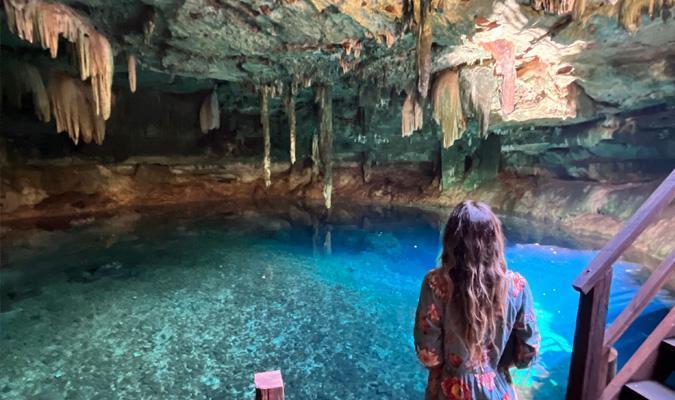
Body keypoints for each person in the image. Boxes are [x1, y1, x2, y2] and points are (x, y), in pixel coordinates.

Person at [414, 201, 540, 400]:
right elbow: (527, 354)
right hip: (498, 390)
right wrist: (495, 364)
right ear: (495, 240)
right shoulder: (517, 287)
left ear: (451, 240)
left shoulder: (435, 284)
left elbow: (428, 354)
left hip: (448, 390)